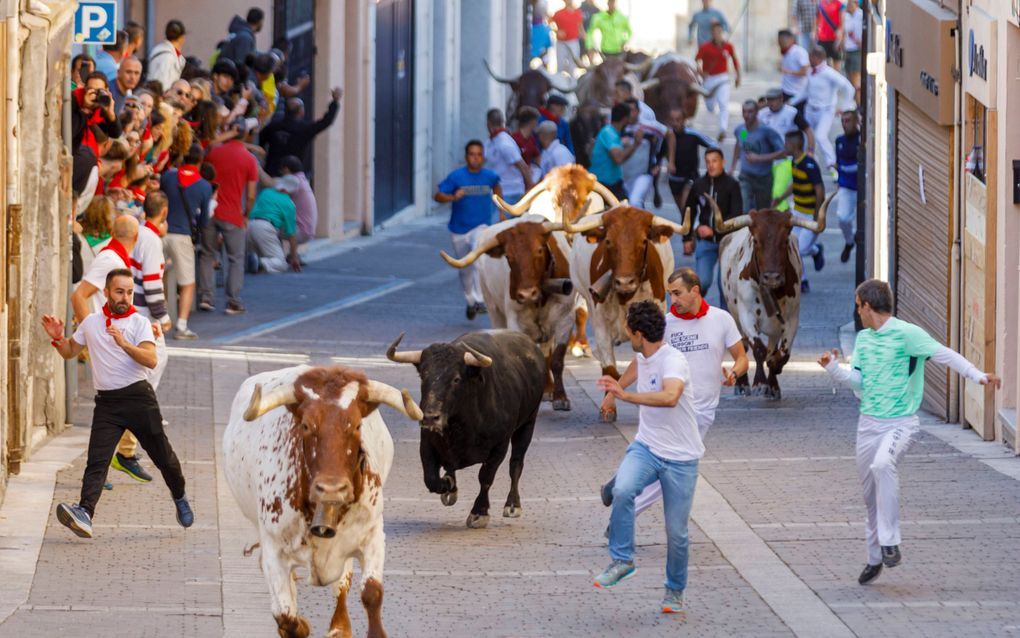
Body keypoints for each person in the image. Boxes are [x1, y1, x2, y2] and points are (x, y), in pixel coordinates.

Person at [820, 279, 1001, 585]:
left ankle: (890, 543)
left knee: (882, 465)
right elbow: (860, 382)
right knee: (870, 497)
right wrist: (833, 368)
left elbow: (945, 354)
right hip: (868, 425)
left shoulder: (908, 334)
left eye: (857, 305)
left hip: (901, 423)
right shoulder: (864, 340)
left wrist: (977, 375)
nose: (857, 311)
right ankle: (875, 558)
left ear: (867, 305)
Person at [42, 269, 193, 539]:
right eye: (119, 291)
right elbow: (69, 352)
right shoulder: (90, 323)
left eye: (129, 292)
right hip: (107, 404)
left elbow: (150, 359)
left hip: (138, 399)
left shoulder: (139, 323)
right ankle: (85, 513)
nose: (125, 297)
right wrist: (56, 337)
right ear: (107, 292)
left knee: (164, 457)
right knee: (96, 461)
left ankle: (179, 495)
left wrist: (123, 343)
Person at [600, 268, 748, 515]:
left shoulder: (722, 319)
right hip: (668, 405)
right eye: (670, 294)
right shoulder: (666, 323)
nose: (673, 300)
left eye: (677, 293)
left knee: (665, 464)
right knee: (670, 468)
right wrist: (613, 393)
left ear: (695, 290)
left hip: (702, 410)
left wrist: (734, 373)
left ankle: (619, 484)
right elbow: (640, 361)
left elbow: (742, 357)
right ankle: (624, 513)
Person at [592, 301, 701, 615]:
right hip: (647, 448)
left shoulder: (674, 361)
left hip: (681, 458)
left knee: (676, 534)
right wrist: (613, 394)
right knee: (625, 491)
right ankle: (622, 560)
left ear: (638, 333)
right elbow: (636, 367)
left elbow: (670, 397)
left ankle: (674, 591)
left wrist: (627, 397)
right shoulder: (644, 354)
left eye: (628, 330)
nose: (626, 335)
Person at [434, 140, 502, 320]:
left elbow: (497, 187)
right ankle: (471, 301)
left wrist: (501, 210)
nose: (476, 158)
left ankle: (480, 300)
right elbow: (438, 196)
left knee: (479, 258)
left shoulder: (490, 176)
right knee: (465, 268)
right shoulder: (457, 177)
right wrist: (452, 197)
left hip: (481, 226)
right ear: (466, 157)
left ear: (483, 157)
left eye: (479, 154)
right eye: (472, 154)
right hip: (459, 229)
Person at [201, 118, 258, 315]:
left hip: (210, 210)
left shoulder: (215, 153)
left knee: (208, 254)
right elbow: (250, 195)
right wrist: (246, 215)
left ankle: (207, 298)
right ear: (247, 135)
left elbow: (207, 148)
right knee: (235, 258)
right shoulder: (250, 160)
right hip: (233, 214)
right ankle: (232, 301)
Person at [160, 144, 211, 340]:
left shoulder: (168, 177)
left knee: (157, 275)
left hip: (161, 231)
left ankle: (159, 319)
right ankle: (181, 325)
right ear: (200, 161)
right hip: (183, 236)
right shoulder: (204, 186)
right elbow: (204, 220)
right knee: (188, 282)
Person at [682, 148, 742, 304]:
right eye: (707, 161)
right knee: (702, 282)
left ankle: (725, 323)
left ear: (722, 162)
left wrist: (714, 230)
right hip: (706, 243)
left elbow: (736, 214)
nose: (711, 165)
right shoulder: (699, 185)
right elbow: (689, 211)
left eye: (714, 161)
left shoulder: (732, 185)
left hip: (727, 243)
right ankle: (694, 315)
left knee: (725, 286)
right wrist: (687, 238)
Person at [772, 130, 825, 293]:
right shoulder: (793, 163)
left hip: (810, 215)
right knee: (791, 246)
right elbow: (795, 184)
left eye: (786, 143)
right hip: (798, 213)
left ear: (793, 145)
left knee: (799, 249)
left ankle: (815, 250)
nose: (784, 146)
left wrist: (817, 214)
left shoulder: (810, 164)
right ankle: (803, 281)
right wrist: (781, 198)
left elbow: (820, 190)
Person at [792, 46, 856, 173]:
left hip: (825, 110)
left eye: (810, 56)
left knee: (820, 136)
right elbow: (805, 91)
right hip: (810, 109)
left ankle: (832, 167)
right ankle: (809, 165)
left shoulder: (829, 73)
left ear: (818, 57)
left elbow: (849, 88)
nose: (808, 59)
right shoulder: (811, 72)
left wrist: (844, 107)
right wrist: (791, 102)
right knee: (807, 139)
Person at [259, 87, 343, 176]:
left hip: (271, 173)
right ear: (301, 112)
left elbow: (260, 141)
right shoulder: (305, 129)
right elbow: (326, 121)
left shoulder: (273, 127)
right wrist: (335, 101)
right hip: (293, 176)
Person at [731, 100, 785, 212]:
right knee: (744, 209)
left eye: (750, 112)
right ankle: (745, 229)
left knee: (762, 212)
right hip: (746, 177)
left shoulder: (766, 131)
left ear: (757, 113)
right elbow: (740, 143)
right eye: (744, 112)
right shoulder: (741, 129)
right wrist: (733, 166)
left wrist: (759, 158)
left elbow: (783, 153)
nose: (746, 115)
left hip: (763, 178)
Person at [663, 107, 717, 214]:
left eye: (678, 119)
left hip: (690, 177)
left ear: (684, 120)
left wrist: (711, 163)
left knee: (686, 208)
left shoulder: (692, 135)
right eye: (672, 120)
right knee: (683, 213)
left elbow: (713, 145)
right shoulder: (666, 136)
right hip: (674, 178)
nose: (675, 123)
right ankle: (690, 228)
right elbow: (658, 154)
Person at [247, 174, 302, 273]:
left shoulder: (265, 192)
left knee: (261, 252)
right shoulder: (289, 204)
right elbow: (291, 235)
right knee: (281, 263)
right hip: (265, 227)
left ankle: (253, 260)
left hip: (249, 225)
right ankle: (260, 262)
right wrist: (294, 257)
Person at [696, 21, 741, 141]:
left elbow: (735, 61)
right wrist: (701, 73)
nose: (717, 34)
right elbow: (696, 61)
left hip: (723, 78)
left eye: (720, 32)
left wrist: (738, 76)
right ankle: (713, 108)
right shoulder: (704, 47)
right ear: (712, 33)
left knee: (723, 103)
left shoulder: (728, 46)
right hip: (709, 79)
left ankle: (722, 129)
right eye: (715, 32)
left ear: (722, 32)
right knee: (710, 107)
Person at [590, 103, 644, 201]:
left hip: (614, 184)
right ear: (624, 119)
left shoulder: (612, 132)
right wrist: (635, 144)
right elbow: (618, 159)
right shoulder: (609, 133)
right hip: (603, 185)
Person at [485, 108, 534, 206]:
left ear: (488, 123)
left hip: (510, 193)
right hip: (496, 193)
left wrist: (530, 191)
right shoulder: (491, 142)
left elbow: (523, 167)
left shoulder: (504, 142)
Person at [72, 72, 123, 160]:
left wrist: (110, 114)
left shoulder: (104, 103)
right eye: (91, 90)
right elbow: (71, 130)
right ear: (84, 89)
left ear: (107, 90)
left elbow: (115, 134)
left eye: (100, 90)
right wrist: (85, 109)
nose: (96, 95)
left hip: (90, 154)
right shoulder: (74, 98)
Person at [835, 111, 860, 263]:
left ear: (856, 121)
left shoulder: (861, 140)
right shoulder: (839, 140)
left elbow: (860, 164)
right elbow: (839, 162)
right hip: (846, 186)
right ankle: (849, 242)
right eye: (843, 121)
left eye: (848, 121)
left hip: (862, 186)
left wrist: (842, 169)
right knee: (842, 218)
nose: (845, 124)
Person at [280, 156, 318, 244]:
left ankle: (275, 255)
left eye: (282, 171)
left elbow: (271, 183)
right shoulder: (303, 180)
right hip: (308, 231)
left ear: (286, 169)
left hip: (300, 231)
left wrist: (257, 167)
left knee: (268, 227)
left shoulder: (294, 181)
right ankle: (291, 255)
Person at [148, 20, 187, 92]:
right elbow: (162, 85)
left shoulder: (161, 50)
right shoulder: (167, 57)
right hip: (162, 98)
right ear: (182, 37)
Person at [551, 0, 584, 74]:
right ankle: (559, 82)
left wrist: (584, 36)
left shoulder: (577, 12)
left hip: (573, 41)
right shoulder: (559, 13)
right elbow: (550, 22)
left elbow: (580, 26)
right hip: (561, 43)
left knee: (573, 64)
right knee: (560, 64)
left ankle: (572, 82)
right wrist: (557, 31)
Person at [777, 29, 810, 103]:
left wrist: (787, 71)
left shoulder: (799, 52)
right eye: (779, 41)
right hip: (785, 91)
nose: (780, 43)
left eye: (782, 40)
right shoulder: (785, 51)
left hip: (797, 93)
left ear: (791, 39)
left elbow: (805, 72)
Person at [843, 0, 864, 103]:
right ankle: (855, 101)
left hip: (856, 50)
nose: (849, 5)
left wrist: (859, 42)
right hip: (848, 49)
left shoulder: (861, 15)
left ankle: (859, 103)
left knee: (856, 77)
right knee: (849, 75)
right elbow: (846, 31)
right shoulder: (846, 16)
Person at [511, 106, 543, 172]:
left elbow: (537, 156)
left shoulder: (532, 138)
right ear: (532, 122)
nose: (537, 124)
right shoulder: (515, 138)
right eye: (536, 121)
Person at [816, 0, 844, 71]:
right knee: (822, 63)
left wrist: (840, 38)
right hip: (822, 37)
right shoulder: (820, 3)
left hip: (834, 38)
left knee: (836, 62)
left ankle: (836, 80)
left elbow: (842, 22)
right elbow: (817, 18)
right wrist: (815, 31)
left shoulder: (839, 4)